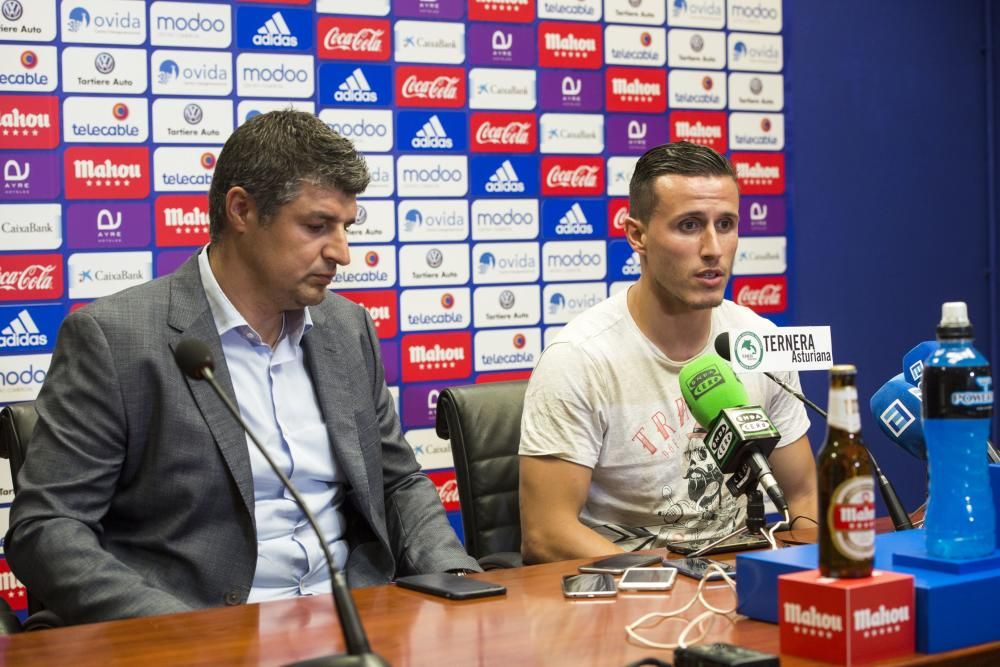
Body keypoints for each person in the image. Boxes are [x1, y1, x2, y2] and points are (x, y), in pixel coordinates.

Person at [6, 110, 479, 625]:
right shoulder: (116, 339)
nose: (341, 253)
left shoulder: (347, 328)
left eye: (346, 227)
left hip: (358, 616)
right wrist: (178, 631)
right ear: (241, 210)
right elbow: (48, 527)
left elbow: (398, 481)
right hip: (197, 628)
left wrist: (456, 580)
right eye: (317, 226)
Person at [518, 142, 817, 564]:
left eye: (726, 224)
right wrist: (677, 585)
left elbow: (803, 493)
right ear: (637, 235)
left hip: (736, 586)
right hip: (630, 601)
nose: (713, 248)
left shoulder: (757, 341)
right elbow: (547, 533)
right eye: (690, 225)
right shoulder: (579, 359)